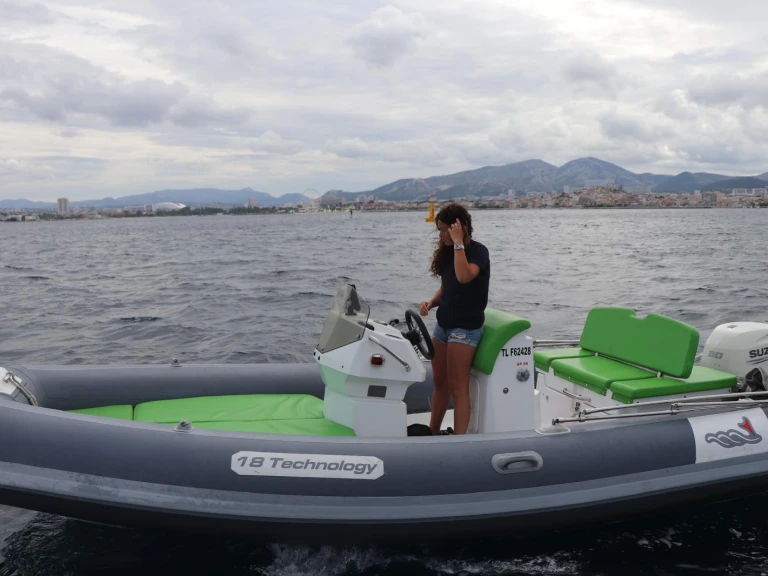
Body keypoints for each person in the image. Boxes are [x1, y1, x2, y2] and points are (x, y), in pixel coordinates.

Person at [419, 203, 490, 435]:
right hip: (443, 326)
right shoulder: (450, 253)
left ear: (458, 227)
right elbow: (448, 286)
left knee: (459, 389)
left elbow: (463, 277)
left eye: (443, 230)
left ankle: (459, 443)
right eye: (439, 230)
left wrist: (458, 242)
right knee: (440, 386)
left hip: (465, 328)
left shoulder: (478, 251)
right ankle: (432, 432)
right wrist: (431, 302)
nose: (440, 235)